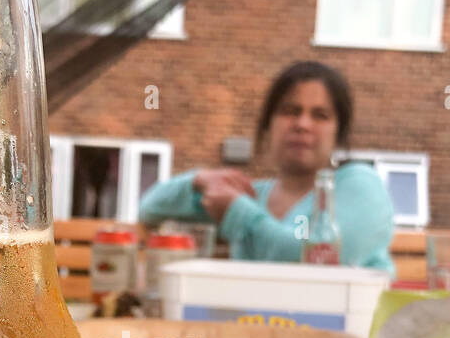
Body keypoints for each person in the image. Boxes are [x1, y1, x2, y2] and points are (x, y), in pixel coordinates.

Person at [138, 60, 394, 271]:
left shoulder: (359, 186)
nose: (302, 124)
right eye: (289, 111)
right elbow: (150, 209)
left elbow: (306, 257)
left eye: (320, 115)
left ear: (338, 133)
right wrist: (201, 179)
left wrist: (235, 212)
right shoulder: (252, 196)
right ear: (267, 125)